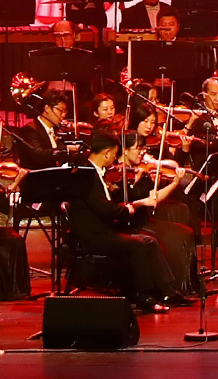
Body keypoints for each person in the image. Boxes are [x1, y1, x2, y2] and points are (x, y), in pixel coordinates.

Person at [70, 130, 180, 312]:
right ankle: (144, 297)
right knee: (138, 244)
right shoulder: (87, 176)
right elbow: (105, 209)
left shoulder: (96, 173)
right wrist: (127, 209)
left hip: (103, 231)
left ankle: (168, 291)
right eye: (115, 154)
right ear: (107, 153)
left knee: (150, 242)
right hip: (93, 236)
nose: (115, 158)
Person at [12, 89, 71, 169]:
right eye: (61, 110)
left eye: (65, 111)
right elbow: (38, 155)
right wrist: (66, 149)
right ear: (47, 108)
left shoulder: (55, 130)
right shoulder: (29, 130)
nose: (63, 115)